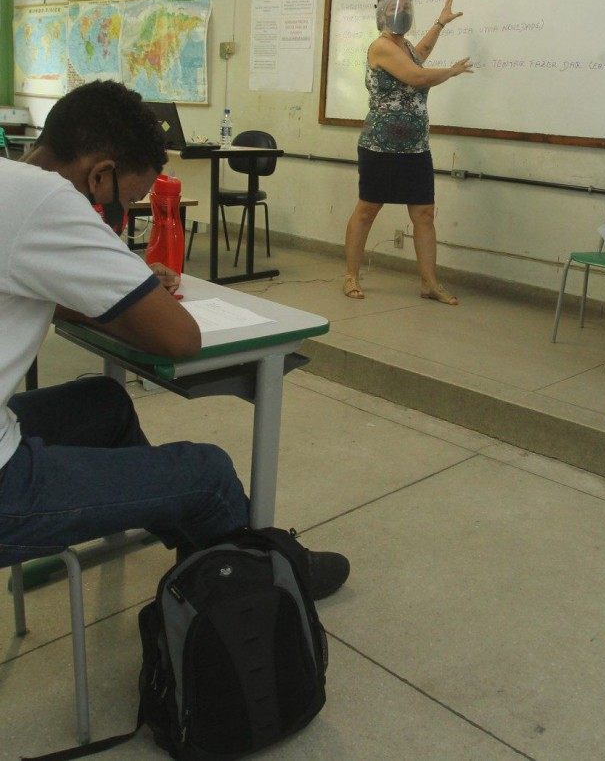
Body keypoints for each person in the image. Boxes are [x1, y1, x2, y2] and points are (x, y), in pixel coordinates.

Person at [0, 80, 349, 599]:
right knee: (207, 471)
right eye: (126, 203)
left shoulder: (12, 179)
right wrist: (141, 301)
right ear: (99, 175)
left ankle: (205, 556)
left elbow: (48, 292)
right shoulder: (51, 201)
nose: (121, 217)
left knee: (105, 403)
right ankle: (258, 581)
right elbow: (180, 339)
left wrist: (122, 292)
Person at [343, 0, 473, 305]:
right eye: (391, 8)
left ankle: (429, 283)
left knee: (424, 214)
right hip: (380, 146)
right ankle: (350, 277)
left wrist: (440, 24)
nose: (399, 13)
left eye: (404, 7)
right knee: (367, 211)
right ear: (380, 13)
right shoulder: (381, 47)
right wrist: (451, 71)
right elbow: (417, 76)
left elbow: (421, 53)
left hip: (415, 147)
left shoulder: (405, 46)